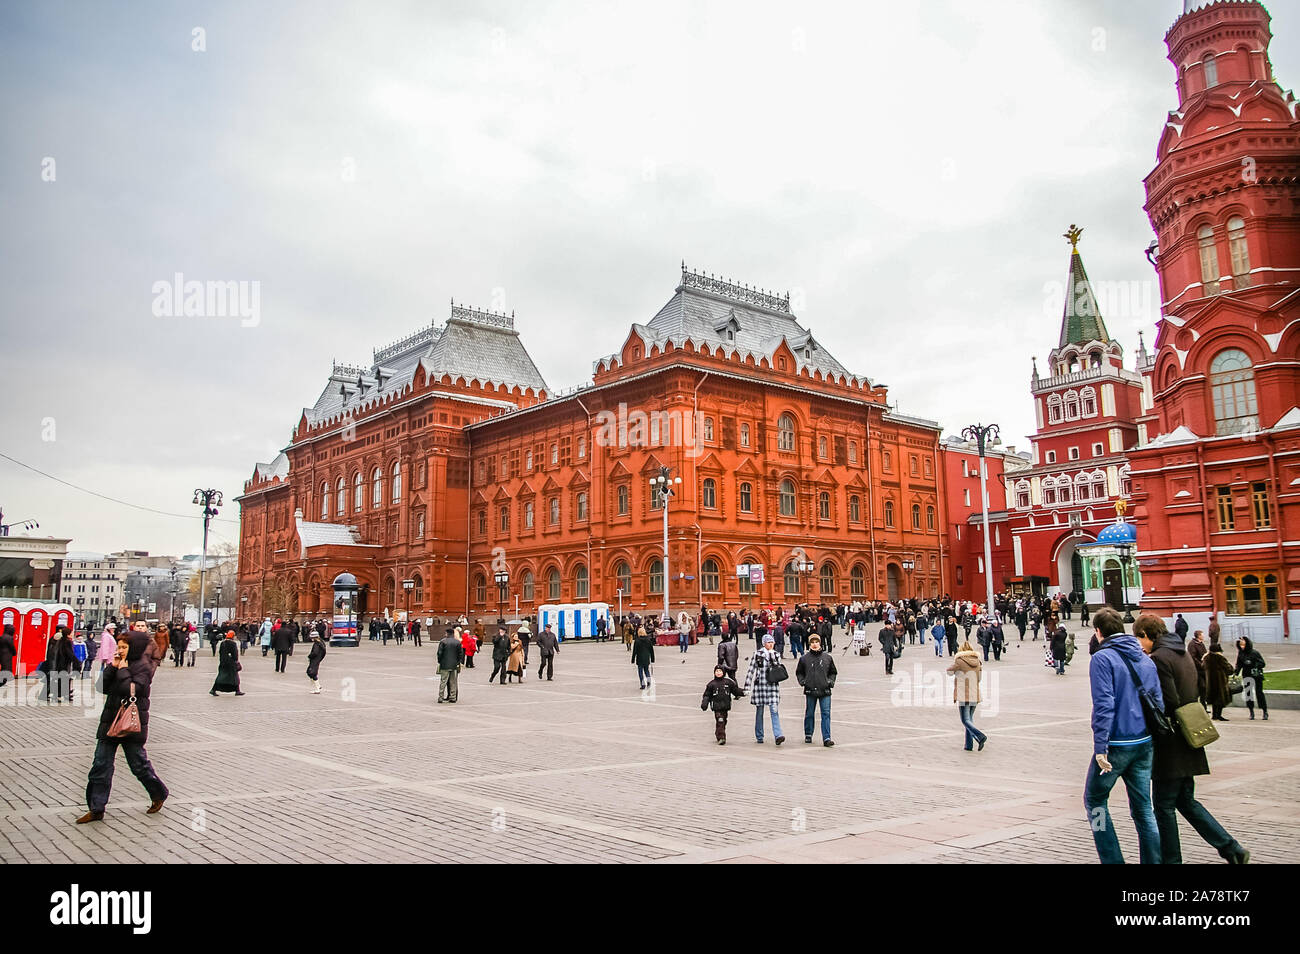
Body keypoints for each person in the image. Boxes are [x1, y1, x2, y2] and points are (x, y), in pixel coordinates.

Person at [1133, 615, 1249, 864]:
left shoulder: (1159, 658)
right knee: (1186, 802)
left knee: (1164, 807)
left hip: (1171, 741)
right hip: (1188, 735)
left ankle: (1172, 860)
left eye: (1139, 639)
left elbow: (1167, 701)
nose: (1140, 645)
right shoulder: (1182, 653)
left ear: (1146, 633)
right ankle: (1231, 848)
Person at [1084, 607, 1163, 864]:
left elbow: (1104, 704)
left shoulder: (1102, 659)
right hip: (1143, 741)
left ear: (1098, 632)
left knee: (1095, 800)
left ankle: (1112, 859)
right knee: (1143, 809)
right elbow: (1158, 701)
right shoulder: (1144, 657)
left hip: (1117, 742)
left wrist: (1100, 747)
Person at [77, 629, 169, 824]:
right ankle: (96, 808)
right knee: (100, 765)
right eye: (119, 647)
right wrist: (113, 667)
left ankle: (158, 792)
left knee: (139, 765)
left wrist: (124, 670)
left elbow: (133, 690)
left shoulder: (143, 666)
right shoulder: (118, 663)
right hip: (110, 722)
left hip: (132, 724)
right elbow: (101, 688)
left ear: (133, 648)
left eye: (124, 647)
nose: (120, 650)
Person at [742, 634, 785, 745]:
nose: (770, 644)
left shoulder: (776, 654)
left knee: (774, 711)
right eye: (768, 642)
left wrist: (772, 655)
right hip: (760, 686)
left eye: (772, 642)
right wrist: (747, 687)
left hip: (772, 686)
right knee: (759, 712)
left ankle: (778, 735)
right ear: (764, 643)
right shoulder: (757, 654)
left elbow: (777, 666)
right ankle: (759, 735)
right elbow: (751, 671)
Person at [795, 634, 837, 747]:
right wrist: (803, 681)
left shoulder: (827, 658)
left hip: (825, 690)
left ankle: (827, 737)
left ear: (820, 643)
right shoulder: (804, 658)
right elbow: (799, 672)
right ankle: (808, 733)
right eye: (812, 642)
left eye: (816, 642)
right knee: (809, 713)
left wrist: (830, 682)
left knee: (826, 714)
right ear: (810, 644)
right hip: (810, 689)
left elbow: (833, 672)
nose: (814, 644)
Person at [947, 639, 986, 751]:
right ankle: (968, 745)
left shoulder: (959, 661)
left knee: (965, 720)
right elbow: (979, 679)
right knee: (970, 719)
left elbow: (949, 671)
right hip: (975, 693)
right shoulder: (978, 661)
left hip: (964, 694)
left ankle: (980, 736)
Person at [701, 665, 744, 744]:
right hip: (717, 707)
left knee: (723, 721)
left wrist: (743, 692)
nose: (718, 673)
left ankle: (718, 733)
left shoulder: (728, 682)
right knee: (720, 720)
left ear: (723, 672)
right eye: (717, 671)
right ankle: (722, 738)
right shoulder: (711, 684)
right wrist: (704, 703)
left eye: (720, 671)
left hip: (725, 706)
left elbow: (735, 690)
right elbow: (707, 695)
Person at [1234, 637, 1268, 720]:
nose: (1242, 646)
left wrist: (1255, 665)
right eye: (1240, 645)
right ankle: (1251, 712)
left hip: (1256, 675)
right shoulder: (1241, 653)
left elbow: (1262, 663)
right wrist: (1236, 672)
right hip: (1247, 675)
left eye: (1243, 645)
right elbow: (1239, 664)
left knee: (1259, 693)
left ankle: (1264, 711)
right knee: (1248, 694)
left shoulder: (1255, 653)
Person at [1205, 643, 1234, 721]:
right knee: (1221, 699)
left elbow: (1203, 667)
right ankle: (1219, 715)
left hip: (1210, 682)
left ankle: (1214, 715)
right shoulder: (1220, 658)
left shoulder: (1206, 658)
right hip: (1220, 682)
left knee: (1214, 698)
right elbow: (1229, 669)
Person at [210, 631, 244, 696]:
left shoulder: (223, 643)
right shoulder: (233, 643)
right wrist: (236, 660)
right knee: (234, 677)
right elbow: (235, 654)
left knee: (221, 677)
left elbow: (220, 653)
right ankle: (237, 691)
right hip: (231, 663)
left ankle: (213, 689)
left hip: (223, 662)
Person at [437, 628, 464, 703]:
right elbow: (460, 654)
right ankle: (453, 697)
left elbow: (439, 653)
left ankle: (440, 697)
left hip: (445, 664)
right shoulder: (457, 642)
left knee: (443, 681)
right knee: (453, 682)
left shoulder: (443, 641)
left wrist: (440, 661)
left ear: (447, 633)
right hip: (454, 664)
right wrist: (458, 662)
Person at [1188, 630, 1208, 711]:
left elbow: (1204, 653)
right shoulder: (1192, 644)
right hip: (1197, 670)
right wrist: (1200, 664)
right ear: (1198, 636)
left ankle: (1204, 707)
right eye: (1202, 635)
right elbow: (1193, 657)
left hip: (1203, 669)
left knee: (1204, 688)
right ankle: (1196, 706)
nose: (1203, 636)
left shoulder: (1201, 643)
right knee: (1201, 687)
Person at [305, 629, 327, 694]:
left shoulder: (316, 644)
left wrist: (310, 656)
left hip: (315, 659)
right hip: (317, 659)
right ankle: (318, 685)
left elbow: (315, 652)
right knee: (310, 672)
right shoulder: (321, 643)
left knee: (312, 673)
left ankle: (317, 688)